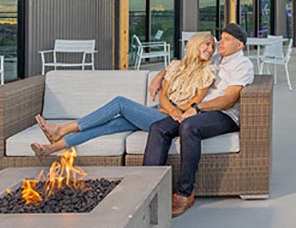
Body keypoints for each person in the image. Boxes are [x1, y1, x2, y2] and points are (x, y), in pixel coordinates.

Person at [31, 32, 218, 157]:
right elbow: (163, 94)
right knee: (111, 125)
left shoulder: (208, 71)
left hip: (176, 118)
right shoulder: (176, 66)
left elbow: (196, 101)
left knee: (120, 103)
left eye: (212, 47)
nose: (210, 50)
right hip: (161, 110)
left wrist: (172, 112)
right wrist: (167, 108)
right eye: (207, 44)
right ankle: (52, 147)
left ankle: (62, 129)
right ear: (195, 44)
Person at [144, 22, 254, 217]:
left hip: (224, 115)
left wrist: (196, 108)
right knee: (158, 127)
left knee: (189, 127)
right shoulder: (219, 58)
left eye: (226, 39)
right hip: (200, 111)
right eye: (221, 38)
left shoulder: (242, 65)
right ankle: (147, 190)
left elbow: (230, 99)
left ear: (240, 45)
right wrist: (160, 75)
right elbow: (187, 62)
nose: (220, 42)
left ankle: (185, 193)